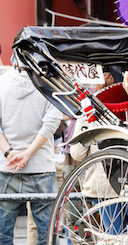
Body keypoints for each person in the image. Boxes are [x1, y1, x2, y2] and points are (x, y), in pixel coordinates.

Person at [0, 30, 62, 245]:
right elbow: (52, 122)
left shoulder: (1, 82)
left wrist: (10, 152)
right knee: (48, 235)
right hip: (41, 166)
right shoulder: (48, 83)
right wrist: (28, 153)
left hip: (6, 167)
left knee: (2, 235)